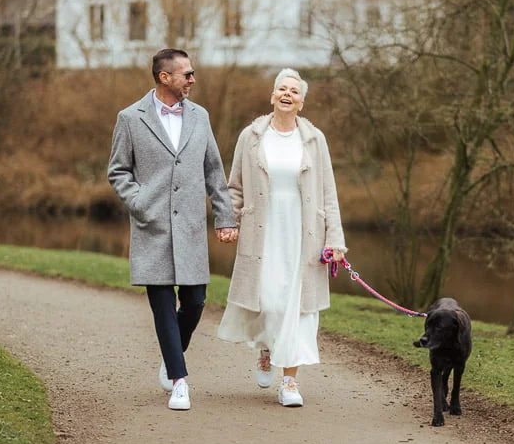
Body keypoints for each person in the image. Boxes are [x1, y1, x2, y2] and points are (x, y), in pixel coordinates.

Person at [108, 48, 238, 411]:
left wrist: (225, 218)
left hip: (192, 226)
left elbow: (214, 170)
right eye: (187, 74)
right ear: (165, 77)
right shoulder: (130, 118)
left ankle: (171, 354)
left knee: (195, 301)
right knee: (162, 304)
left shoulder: (201, 117)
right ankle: (180, 381)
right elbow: (118, 171)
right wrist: (139, 202)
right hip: (152, 226)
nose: (193, 79)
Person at [216, 68, 347, 407]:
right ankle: (266, 347)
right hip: (264, 233)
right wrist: (227, 222)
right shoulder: (252, 136)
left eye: (294, 91)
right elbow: (235, 187)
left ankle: (289, 381)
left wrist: (335, 240)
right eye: (282, 89)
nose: (287, 94)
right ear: (272, 96)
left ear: (301, 103)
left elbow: (328, 193)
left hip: (305, 235)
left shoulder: (315, 140)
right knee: (269, 301)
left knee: (299, 309)